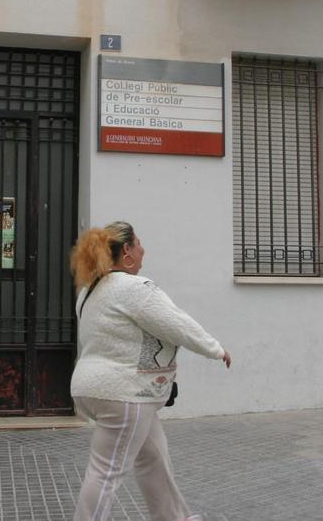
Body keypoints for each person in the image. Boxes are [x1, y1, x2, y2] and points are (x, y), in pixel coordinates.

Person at [70, 221, 232, 521]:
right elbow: (177, 323)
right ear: (127, 252)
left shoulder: (89, 291)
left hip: (93, 390)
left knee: (153, 460)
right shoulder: (135, 288)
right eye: (140, 242)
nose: (144, 249)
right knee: (105, 472)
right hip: (124, 394)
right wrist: (215, 348)